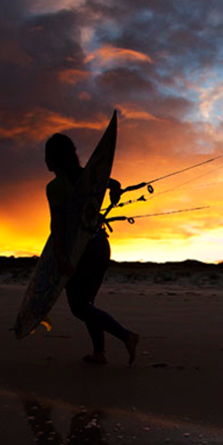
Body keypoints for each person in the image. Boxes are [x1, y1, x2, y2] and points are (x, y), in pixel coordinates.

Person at [45, 132, 140, 365]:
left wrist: (58, 254)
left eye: (47, 153)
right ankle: (99, 353)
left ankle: (126, 336)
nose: (45, 159)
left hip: (82, 252)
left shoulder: (56, 187)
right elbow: (114, 183)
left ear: (54, 157)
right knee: (87, 304)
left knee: (79, 307)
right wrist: (114, 191)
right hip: (101, 246)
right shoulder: (89, 177)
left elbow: (57, 223)